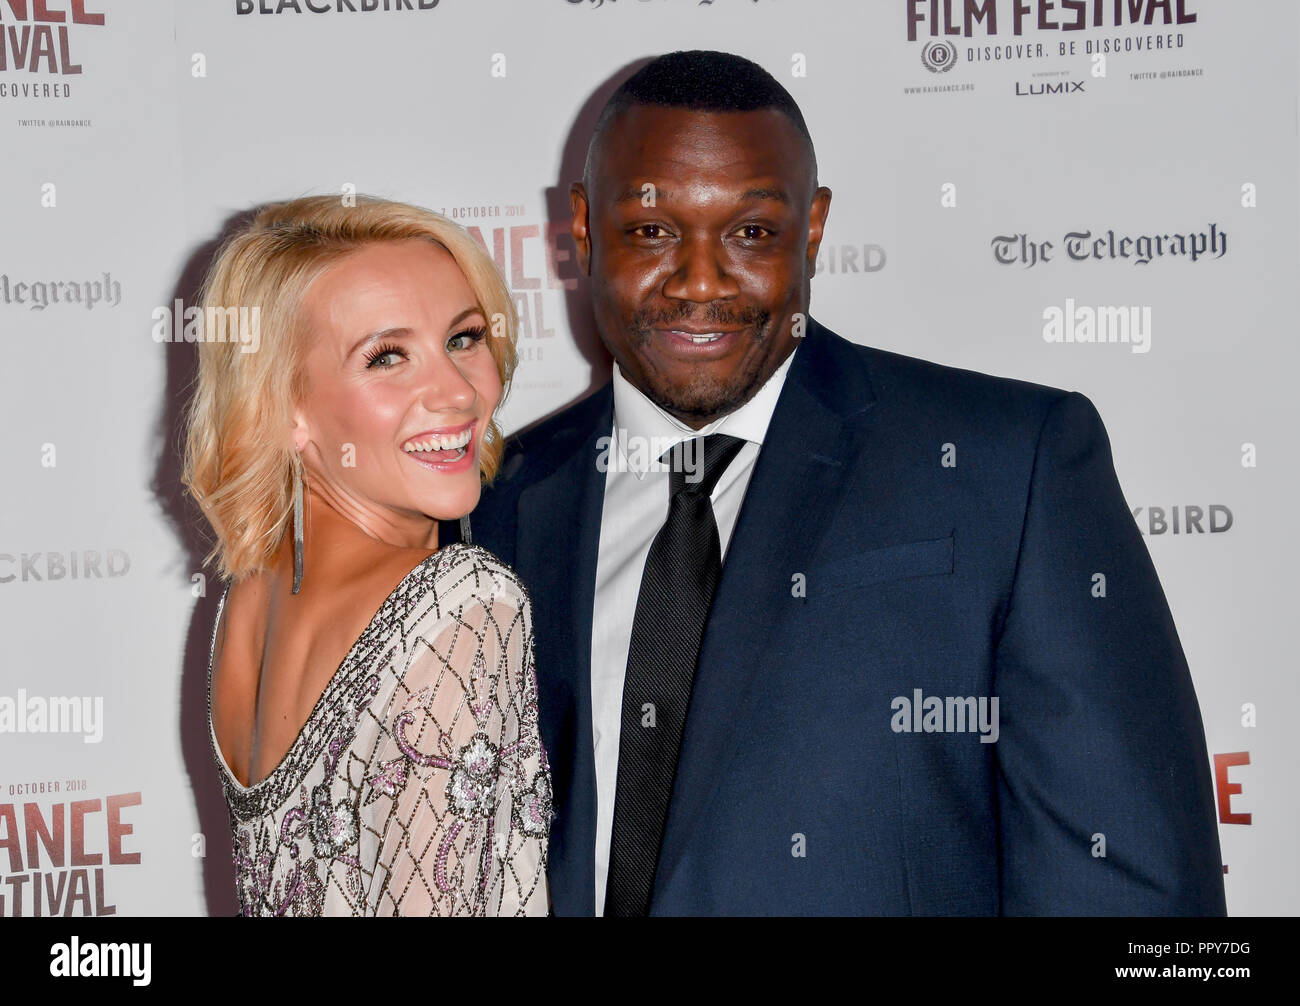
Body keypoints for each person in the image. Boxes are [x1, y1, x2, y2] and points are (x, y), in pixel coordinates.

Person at [454, 51, 1227, 916]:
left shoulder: (1009, 464)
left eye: (751, 233)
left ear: (813, 230)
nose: (701, 282)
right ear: (585, 231)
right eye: (651, 232)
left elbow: (1132, 883)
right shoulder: (493, 501)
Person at [183, 195, 551, 916]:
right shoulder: (465, 603)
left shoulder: (251, 599)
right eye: (387, 357)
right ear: (283, 408)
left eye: (463, 337)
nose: (455, 391)